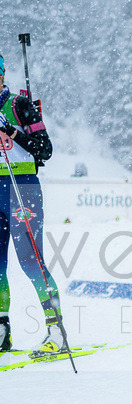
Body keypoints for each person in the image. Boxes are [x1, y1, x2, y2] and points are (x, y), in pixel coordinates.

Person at [0, 53, 60, 354]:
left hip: (22, 187)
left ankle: (55, 330)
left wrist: (11, 131)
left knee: (30, 260)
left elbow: (44, 149)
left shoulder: (19, 106)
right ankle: (2, 331)